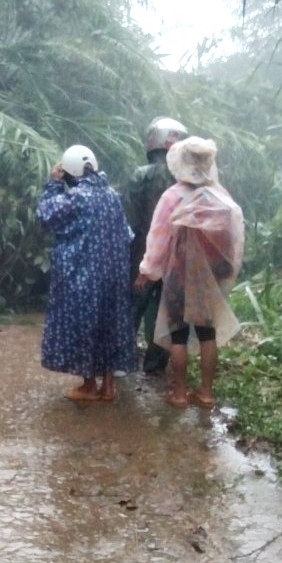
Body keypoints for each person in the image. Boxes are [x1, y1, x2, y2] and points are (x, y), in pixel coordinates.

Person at [136, 136, 244, 409]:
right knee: (208, 334)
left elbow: (158, 238)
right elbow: (233, 239)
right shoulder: (221, 196)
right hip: (210, 276)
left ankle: (180, 393)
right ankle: (206, 393)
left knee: (178, 335)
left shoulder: (172, 196)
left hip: (179, 275)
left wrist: (148, 270)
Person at [36, 144, 136, 401]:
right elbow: (127, 234)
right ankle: (109, 386)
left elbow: (45, 214)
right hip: (114, 278)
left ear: (70, 172)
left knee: (85, 328)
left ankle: (89, 386)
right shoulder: (112, 196)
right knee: (110, 328)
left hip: (83, 277)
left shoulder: (77, 197)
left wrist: (53, 183)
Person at [124, 116, 188, 374]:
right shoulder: (188, 181)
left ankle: (123, 358)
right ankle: (154, 364)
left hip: (142, 252)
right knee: (165, 309)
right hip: (177, 257)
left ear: (153, 142)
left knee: (132, 306)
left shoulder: (140, 175)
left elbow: (128, 218)